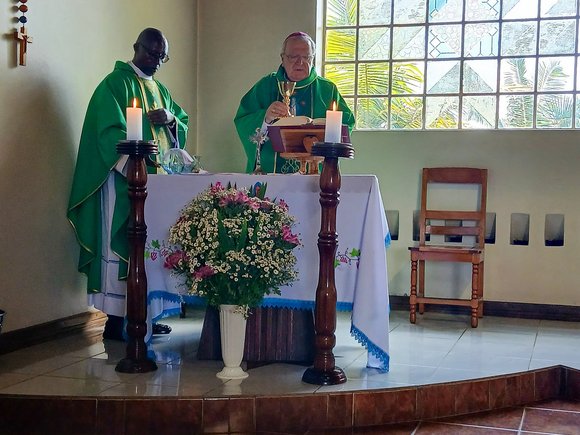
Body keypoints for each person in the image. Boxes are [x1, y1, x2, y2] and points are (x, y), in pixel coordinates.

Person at [67, 28, 189, 340]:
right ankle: (115, 318)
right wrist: (133, 167)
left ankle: (147, 313)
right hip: (123, 180)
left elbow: (180, 123)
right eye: (152, 53)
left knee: (152, 246)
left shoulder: (160, 89)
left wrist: (171, 120)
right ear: (136, 47)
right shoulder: (114, 84)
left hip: (156, 183)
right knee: (121, 241)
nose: (156, 61)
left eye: (162, 57)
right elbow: (106, 132)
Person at [234, 31, 355, 174]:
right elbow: (243, 120)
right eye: (293, 57)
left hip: (315, 172)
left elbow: (346, 124)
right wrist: (265, 118)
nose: (300, 62)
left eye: (306, 57)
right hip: (270, 172)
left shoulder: (327, 89)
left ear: (312, 59)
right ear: (282, 58)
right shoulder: (266, 85)